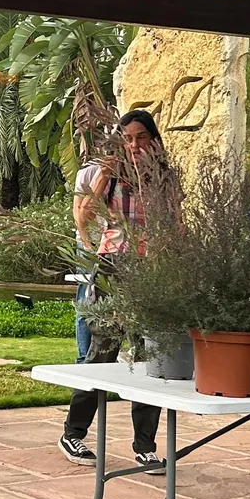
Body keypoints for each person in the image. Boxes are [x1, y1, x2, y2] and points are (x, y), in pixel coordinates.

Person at [61, 111, 168, 474]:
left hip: (153, 268)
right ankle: (74, 431)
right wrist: (107, 172)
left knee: (149, 354)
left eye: (141, 137)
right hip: (114, 264)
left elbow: (177, 221)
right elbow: (84, 217)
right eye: (128, 138)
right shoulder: (106, 176)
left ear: (153, 139)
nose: (135, 145)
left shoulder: (165, 177)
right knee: (103, 350)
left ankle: (145, 445)